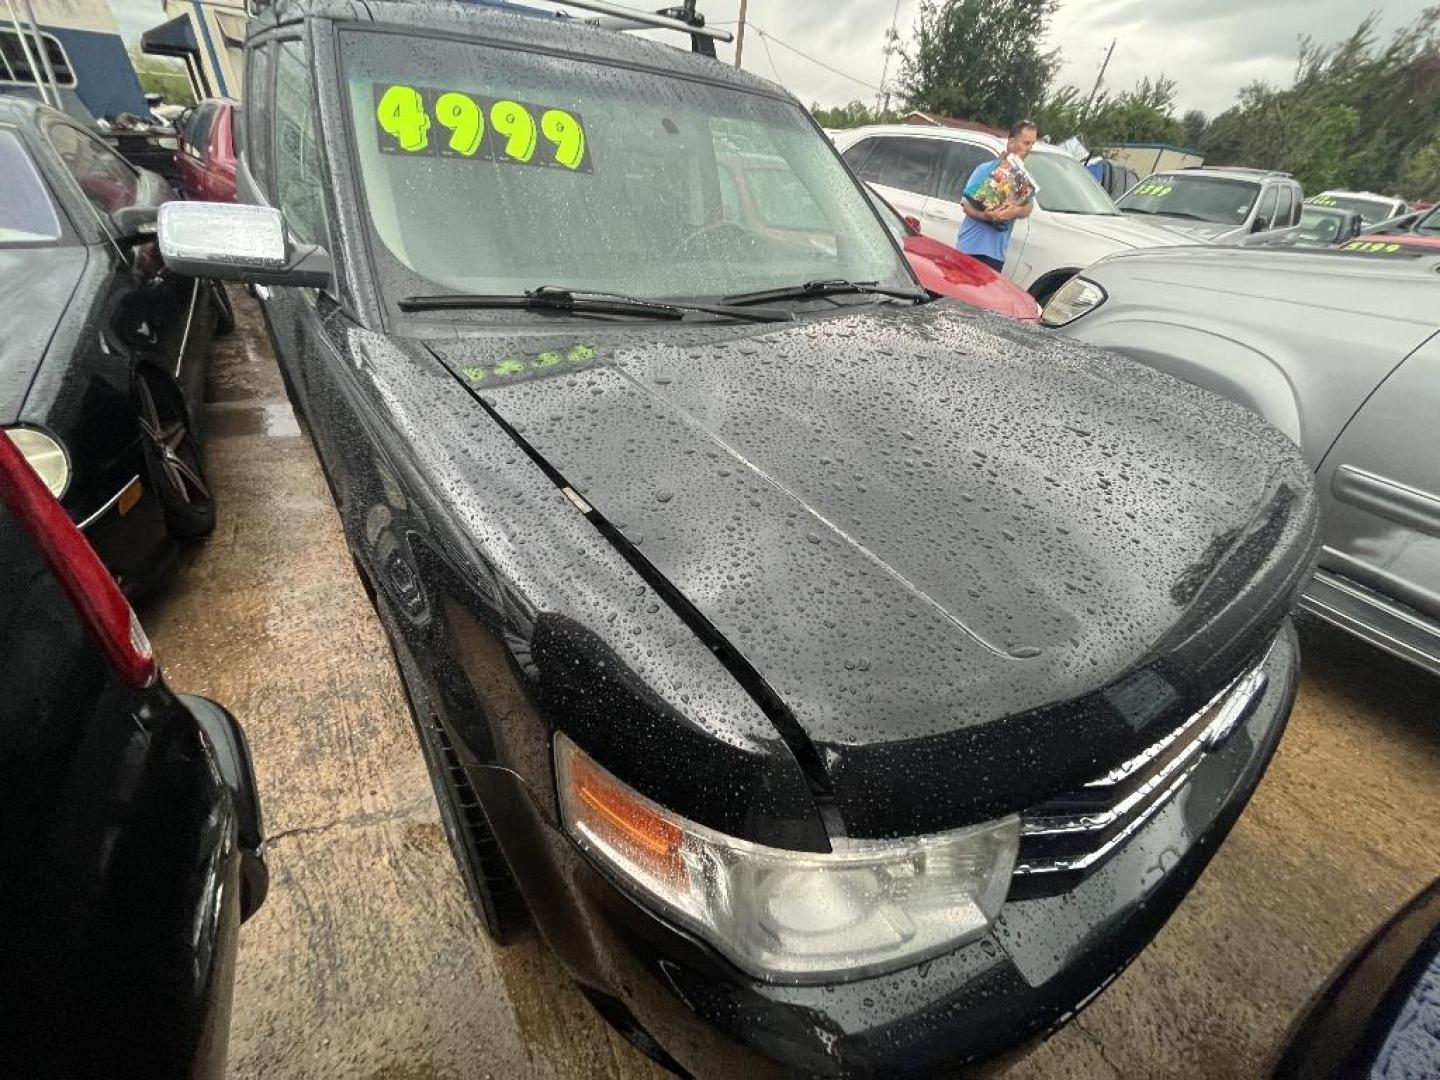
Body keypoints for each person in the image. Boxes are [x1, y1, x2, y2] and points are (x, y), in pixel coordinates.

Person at [957, 120, 1039, 272]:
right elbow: (966, 205)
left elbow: (1028, 207)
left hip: (995, 255)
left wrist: (1015, 211)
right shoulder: (985, 169)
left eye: (1032, 144)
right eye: (1026, 143)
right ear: (1011, 142)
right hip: (969, 248)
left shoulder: (1024, 178)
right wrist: (985, 215)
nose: (1029, 149)